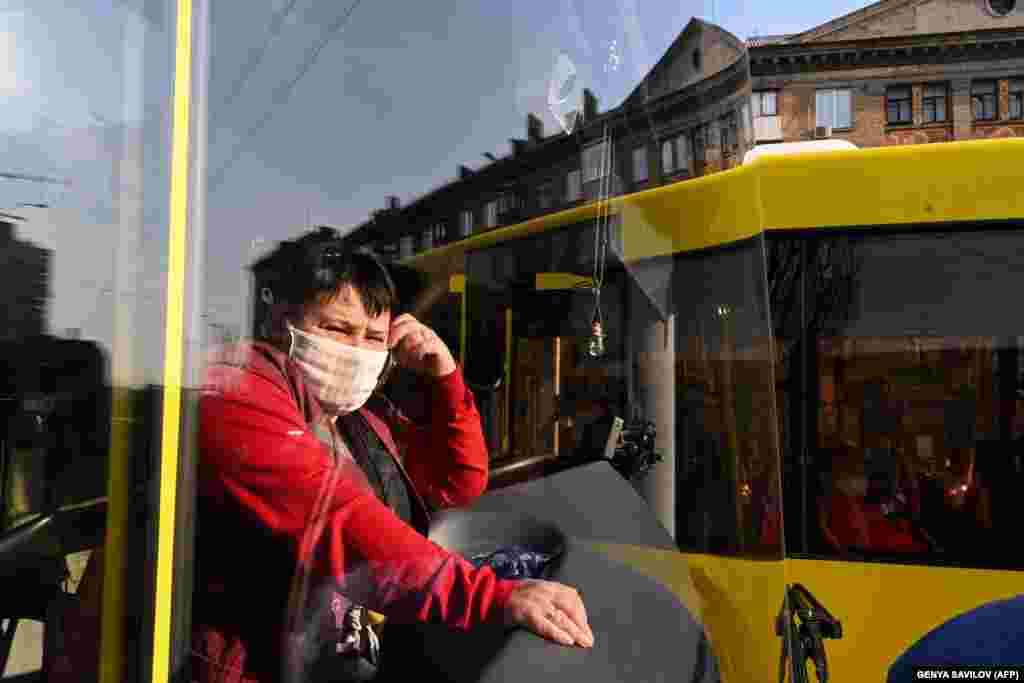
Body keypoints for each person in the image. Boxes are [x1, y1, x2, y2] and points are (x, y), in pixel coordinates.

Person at [191, 241, 593, 683]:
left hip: (344, 646)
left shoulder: (358, 419)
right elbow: (335, 518)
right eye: (338, 328)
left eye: (375, 338)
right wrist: (490, 598)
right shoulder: (239, 388)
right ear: (282, 321)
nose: (356, 349)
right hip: (258, 664)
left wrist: (444, 377)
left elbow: (459, 482)